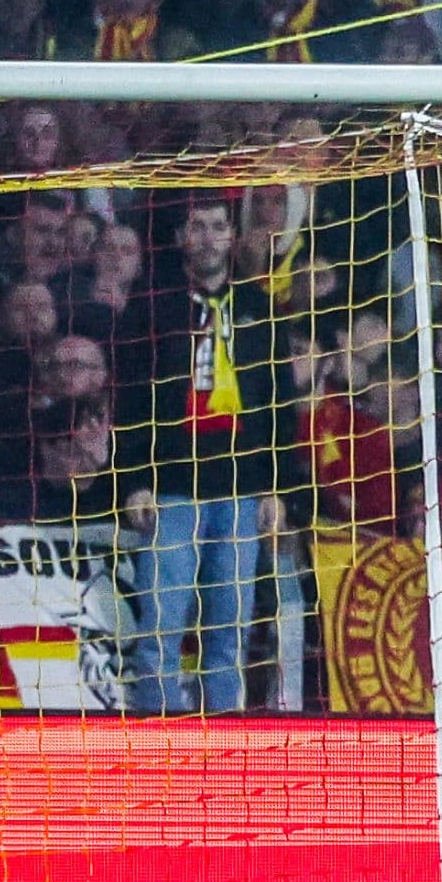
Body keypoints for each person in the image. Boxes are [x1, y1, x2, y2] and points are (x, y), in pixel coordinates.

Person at [113, 198, 293, 714]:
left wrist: (277, 487)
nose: (211, 237)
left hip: (239, 491)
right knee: (160, 630)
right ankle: (158, 736)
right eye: (200, 227)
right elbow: (128, 400)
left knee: (228, 633)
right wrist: (135, 481)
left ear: (233, 237)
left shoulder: (259, 309)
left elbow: (280, 404)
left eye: (219, 227)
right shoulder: (151, 310)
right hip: (171, 490)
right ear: (181, 238)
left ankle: (224, 738)